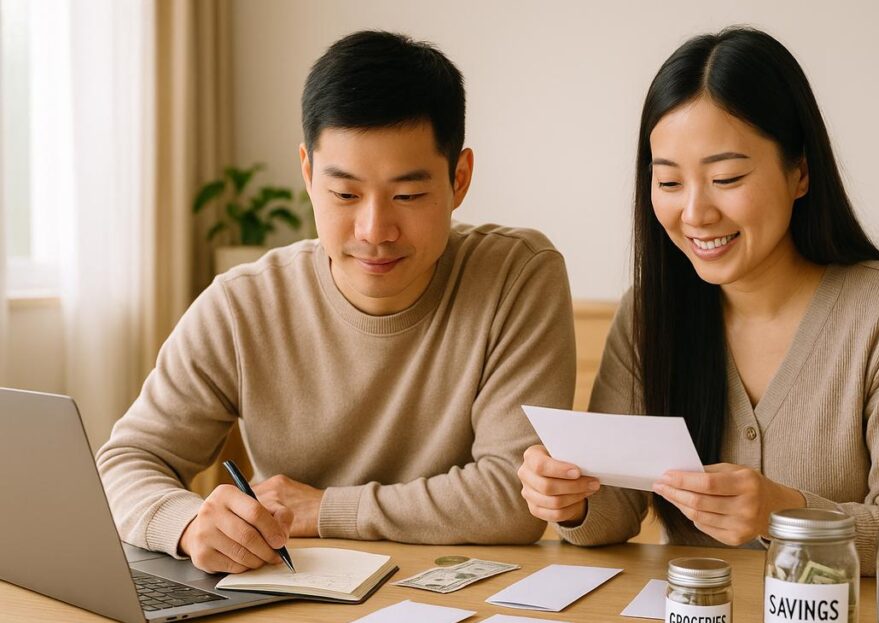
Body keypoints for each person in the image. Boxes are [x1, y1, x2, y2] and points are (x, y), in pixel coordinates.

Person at [97, 31, 575, 574]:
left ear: (459, 178)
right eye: (345, 194)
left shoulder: (516, 276)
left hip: (461, 603)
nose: (374, 230)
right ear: (307, 173)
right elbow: (125, 461)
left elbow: (512, 498)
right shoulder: (243, 303)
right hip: (290, 601)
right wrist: (183, 523)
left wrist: (325, 509)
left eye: (408, 195)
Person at [517, 27, 879, 571]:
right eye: (669, 183)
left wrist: (787, 513)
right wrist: (570, 500)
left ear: (799, 171)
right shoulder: (648, 312)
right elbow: (614, 510)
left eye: (726, 177)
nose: (695, 214)